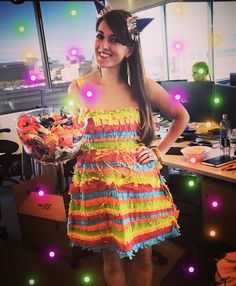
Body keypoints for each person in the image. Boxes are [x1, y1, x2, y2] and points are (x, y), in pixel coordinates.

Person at [67, 2, 189, 286]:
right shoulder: (78, 87)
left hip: (138, 182)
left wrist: (159, 150)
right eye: (100, 35)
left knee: (144, 257)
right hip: (99, 185)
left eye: (114, 39)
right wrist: (57, 150)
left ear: (130, 50)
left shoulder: (142, 86)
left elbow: (181, 116)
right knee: (111, 261)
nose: (104, 45)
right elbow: (73, 138)